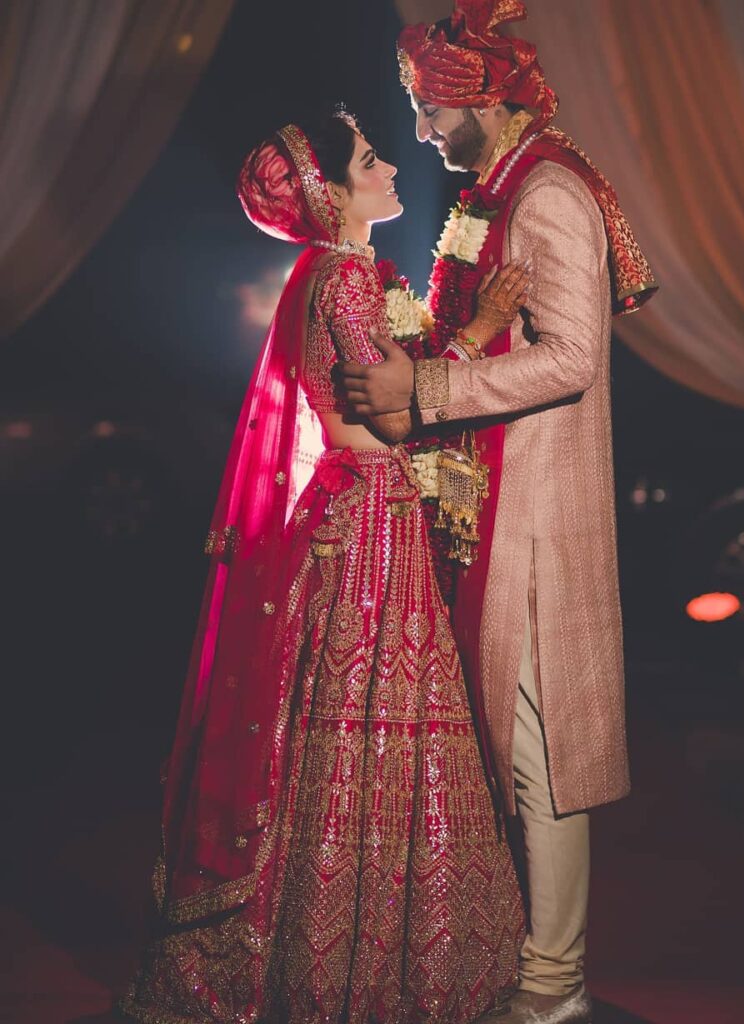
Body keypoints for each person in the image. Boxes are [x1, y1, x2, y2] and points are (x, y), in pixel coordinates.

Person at [120, 110, 529, 1024]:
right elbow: (378, 421)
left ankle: (316, 955)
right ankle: (357, 975)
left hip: (352, 519)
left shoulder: (327, 274)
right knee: (373, 740)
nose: (389, 168)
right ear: (332, 196)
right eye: (370, 161)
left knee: (328, 746)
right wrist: (477, 336)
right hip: (373, 518)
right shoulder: (345, 277)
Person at [337, 4, 658, 1022]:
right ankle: (511, 961)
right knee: (499, 744)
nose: (423, 130)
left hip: (537, 507)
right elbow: (466, 318)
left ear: (480, 97)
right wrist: (411, 342)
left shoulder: (549, 190)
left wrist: (424, 395)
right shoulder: (494, 188)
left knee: (540, 747)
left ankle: (554, 985)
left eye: (431, 108)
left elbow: (572, 355)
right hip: (484, 498)